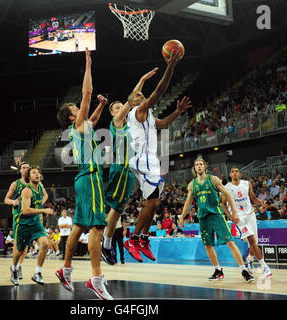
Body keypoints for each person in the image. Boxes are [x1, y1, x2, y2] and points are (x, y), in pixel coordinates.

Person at [124, 50, 191, 263]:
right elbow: (158, 92)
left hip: (150, 160)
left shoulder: (148, 116)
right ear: (133, 103)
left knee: (154, 204)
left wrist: (177, 112)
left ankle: (143, 239)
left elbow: (162, 124)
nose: (142, 97)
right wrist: (171, 66)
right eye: (139, 97)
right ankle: (133, 239)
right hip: (142, 159)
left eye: (142, 96)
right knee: (152, 202)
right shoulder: (137, 112)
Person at [55, 48, 112, 300]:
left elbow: (92, 119)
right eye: (76, 107)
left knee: (78, 226)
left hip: (81, 179)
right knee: (98, 227)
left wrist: (100, 106)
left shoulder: (81, 127)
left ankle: (66, 269)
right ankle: (96, 278)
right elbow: (87, 91)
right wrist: (88, 65)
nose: (81, 107)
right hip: (91, 177)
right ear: (71, 115)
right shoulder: (77, 124)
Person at [101, 68, 159, 265]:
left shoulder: (131, 124)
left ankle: (140, 240)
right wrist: (141, 80)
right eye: (117, 108)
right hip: (120, 167)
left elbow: (134, 104)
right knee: (116, 209)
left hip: (132, 169)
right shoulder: (116, 122)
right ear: (112, 113)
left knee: (135, 205)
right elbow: (131, 101)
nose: (121, 110)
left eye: (121, 107)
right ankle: (106, 244)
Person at [179, 158, 254, 282]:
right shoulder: (192, 184)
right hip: (203, 218)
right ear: (194, 168)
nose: (199, 166)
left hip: (216, 215)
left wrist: (234, 212)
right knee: (208, 245)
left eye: (201, 164)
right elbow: (188, 202)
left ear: (204, 166)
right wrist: (182, 216)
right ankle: (218, 270)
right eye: (196, 164)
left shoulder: (213, 179)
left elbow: (228, 194)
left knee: (230, 242)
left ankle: (243, 270)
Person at [222, 168, 272, 278]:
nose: (235, 173)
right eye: (233, 171)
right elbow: (223, 204)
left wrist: (261, 203)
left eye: (237, 171)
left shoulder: (246, 184)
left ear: (240, 174)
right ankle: (264, 267)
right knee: (251, 240)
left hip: (250, 214)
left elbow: (253, 198)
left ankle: (249, 260)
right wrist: (230, 216)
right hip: (238, 217)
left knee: (254, 243)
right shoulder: (226, 188)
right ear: (230, 174)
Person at [10, 165, 53, 285]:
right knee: (19, 251)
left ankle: (37, 273)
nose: (37, 174)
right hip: (22, 224)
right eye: (34, 173)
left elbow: (44, 196)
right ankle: (14, 269)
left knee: (45, 243)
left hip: (35, 223)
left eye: (38, 173)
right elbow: (26, 211)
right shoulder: (26, 190)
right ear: (29, 177)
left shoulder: (40, 187)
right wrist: (42, 210)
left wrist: (39, 207)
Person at [4, 161, 30, 280]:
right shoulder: (15, 184)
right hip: (19, 218)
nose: (25, 169)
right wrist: (13, 201)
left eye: (27, 168)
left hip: (31, 217)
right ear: (20, 170)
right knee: (18, 245)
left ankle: (19, 266)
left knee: (25, 247)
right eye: (23, 167)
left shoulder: (35, 184)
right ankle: (14, 267)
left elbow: (43, 195)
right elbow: (6, 199)